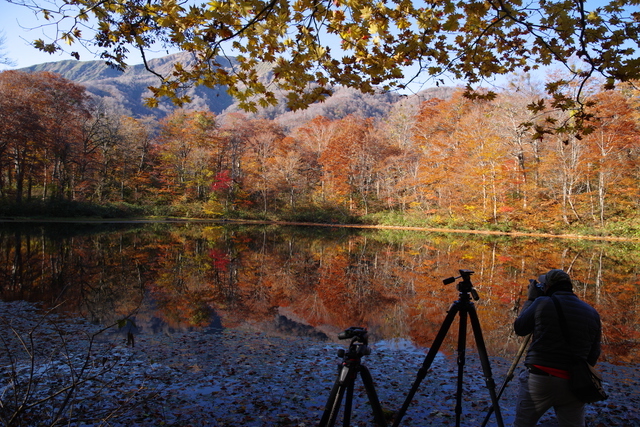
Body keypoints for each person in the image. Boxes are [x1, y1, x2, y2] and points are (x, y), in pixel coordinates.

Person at [512, 268, 602, 427]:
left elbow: (520, 328)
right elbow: (593, 355)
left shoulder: (541, 303)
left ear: (547, 287)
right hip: (574, 384)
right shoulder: (592, 313)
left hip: (539, 379)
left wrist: (531, 299)